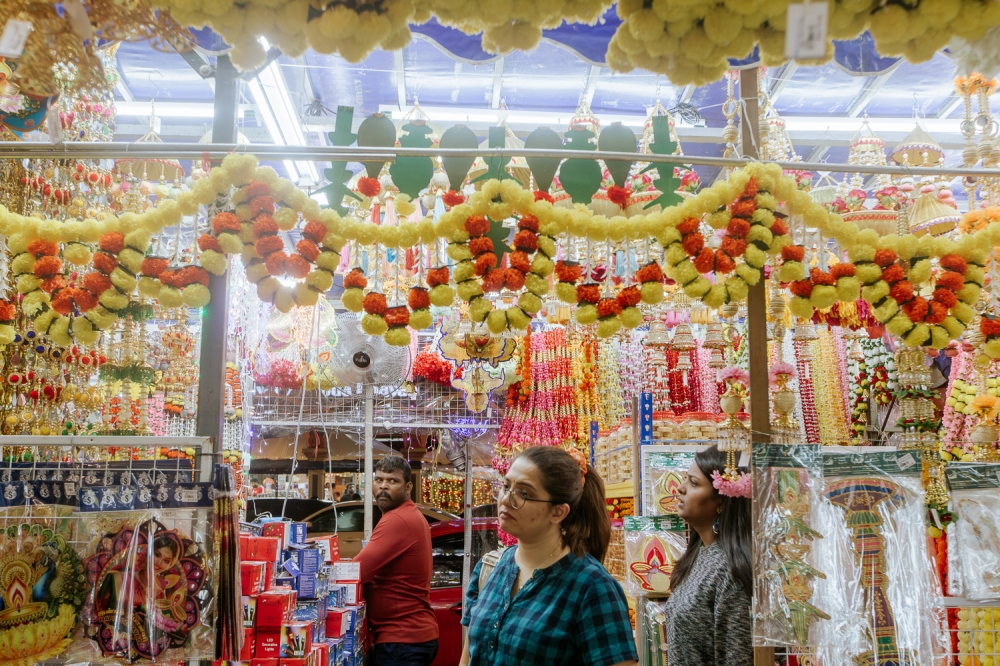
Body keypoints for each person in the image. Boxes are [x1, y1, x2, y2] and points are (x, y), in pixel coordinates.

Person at [460, 446, 638, 666]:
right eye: (506, 486)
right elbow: (468, 657)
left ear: (558, 512)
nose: (506, 499)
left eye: (523, 494)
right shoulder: (491, 567)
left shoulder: (592, 587)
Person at [663, 445, 752, 666]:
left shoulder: (729, 571)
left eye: (693, 483)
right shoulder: (700, 554)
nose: (680, 489)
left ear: (721, 502)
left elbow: (737, 658)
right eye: (686, 480)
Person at [354, 456, 438, 666]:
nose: (383, 486)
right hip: (407, 639)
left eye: (392, 481)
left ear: (408, 486)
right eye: (379, 479)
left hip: (403, 640)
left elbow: (358, 571)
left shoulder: (397, 519)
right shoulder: (406, 515)